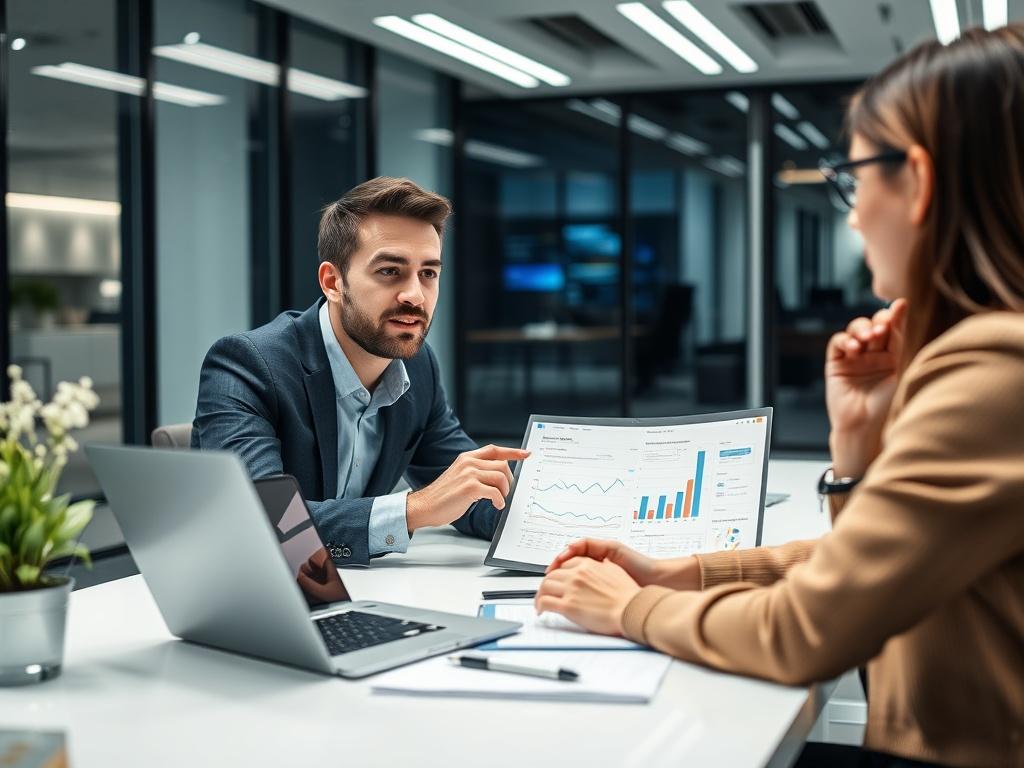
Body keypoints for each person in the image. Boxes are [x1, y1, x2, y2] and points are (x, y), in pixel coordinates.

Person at [535, 24, 1024, 768]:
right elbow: (877, 569)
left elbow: (805, 633)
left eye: (853, 180)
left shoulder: (995, 367)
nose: (854, 215)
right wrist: (681, 571)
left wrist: (629, 608)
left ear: (918, 182)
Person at [193, 177, 528, 567]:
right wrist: (415, 509)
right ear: (333, 282)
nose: (415, 295)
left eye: (428, 273)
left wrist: (559, 529)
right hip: (258, 599)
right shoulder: (248, 364)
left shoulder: (418, 368)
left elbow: (472, 494)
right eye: (389, 271)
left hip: (365, 589)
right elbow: (261, 525)